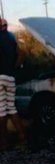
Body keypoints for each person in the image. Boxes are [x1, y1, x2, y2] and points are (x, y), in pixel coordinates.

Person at [0, 18, 26, 150]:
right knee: (12, 107)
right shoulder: (12, 37)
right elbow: (21, 54)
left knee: (1, 111)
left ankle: (4, 142)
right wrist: (14, 67)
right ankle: (22, 135)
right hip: (11, 77)